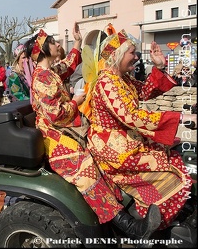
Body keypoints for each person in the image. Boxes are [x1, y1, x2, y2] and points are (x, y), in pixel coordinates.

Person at [29, 25, 161, 240]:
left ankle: (122, 222)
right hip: (54, 137)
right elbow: (55, 115)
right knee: (87, 174)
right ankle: (131, 228)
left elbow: (70, 65)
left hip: (67, 131)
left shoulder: (51, 72)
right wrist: (75, 101)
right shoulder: (43, 76)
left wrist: (78, 42)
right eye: (53, 42)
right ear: (44, 49)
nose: (58, 45)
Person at [86, 29, 195, 230]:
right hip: (113, 149)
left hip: (127, 140)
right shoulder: (107, 81)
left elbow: (144, 92)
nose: (136, 57)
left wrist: (160, 68)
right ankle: (155, 224)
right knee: (171, 171)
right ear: (116, 55)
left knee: (172, 154)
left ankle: (174, 215)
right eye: (132, 53)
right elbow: (132, 116)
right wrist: (180, 117)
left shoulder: (121, 78)